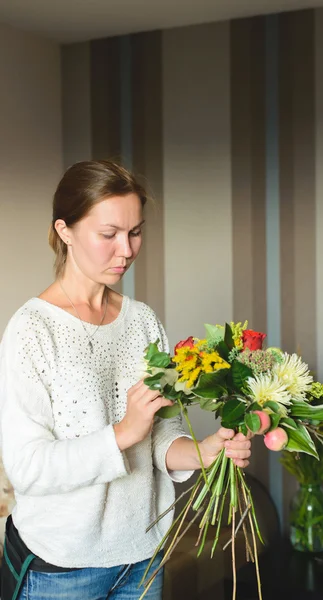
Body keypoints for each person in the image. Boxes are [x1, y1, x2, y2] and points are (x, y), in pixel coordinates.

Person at [0, 160, 252, 600]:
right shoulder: (31, 331)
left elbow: (160, 435)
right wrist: (121, 433)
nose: (127, 250)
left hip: (143, 557)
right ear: (64, 230)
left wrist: (204, 452)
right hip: (61, 569)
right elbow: (27, 468)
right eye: (109, 234)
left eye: (135, 232)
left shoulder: (143, 322)